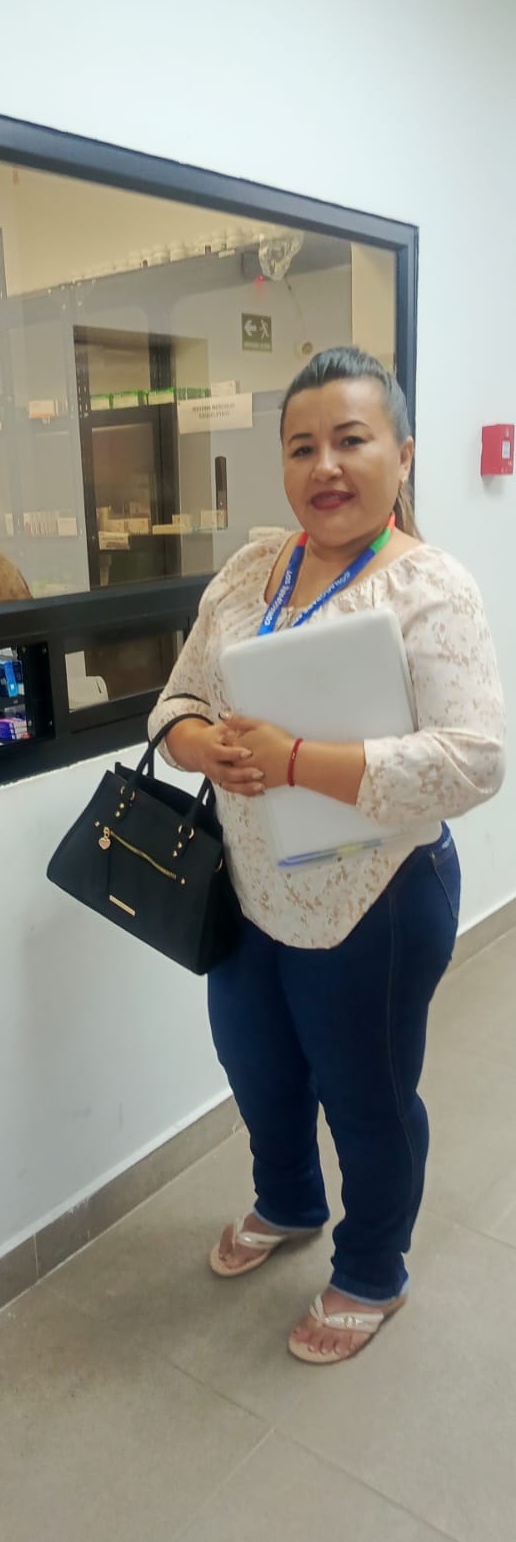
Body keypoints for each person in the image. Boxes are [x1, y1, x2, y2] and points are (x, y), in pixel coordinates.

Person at [148, 346, 505, 1365]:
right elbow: (177, 698)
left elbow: (475, 761)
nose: (326, 466)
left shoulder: (432, 587)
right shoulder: (249, 570)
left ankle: (374, 1268)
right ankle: (289, 1200)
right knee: (257, 1068)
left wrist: (296, 759)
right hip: (246, 886)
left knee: (366, 1096)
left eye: (351, 440)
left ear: (403, 454)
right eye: (302, 447)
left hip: (376, 895)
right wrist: (202, 746)